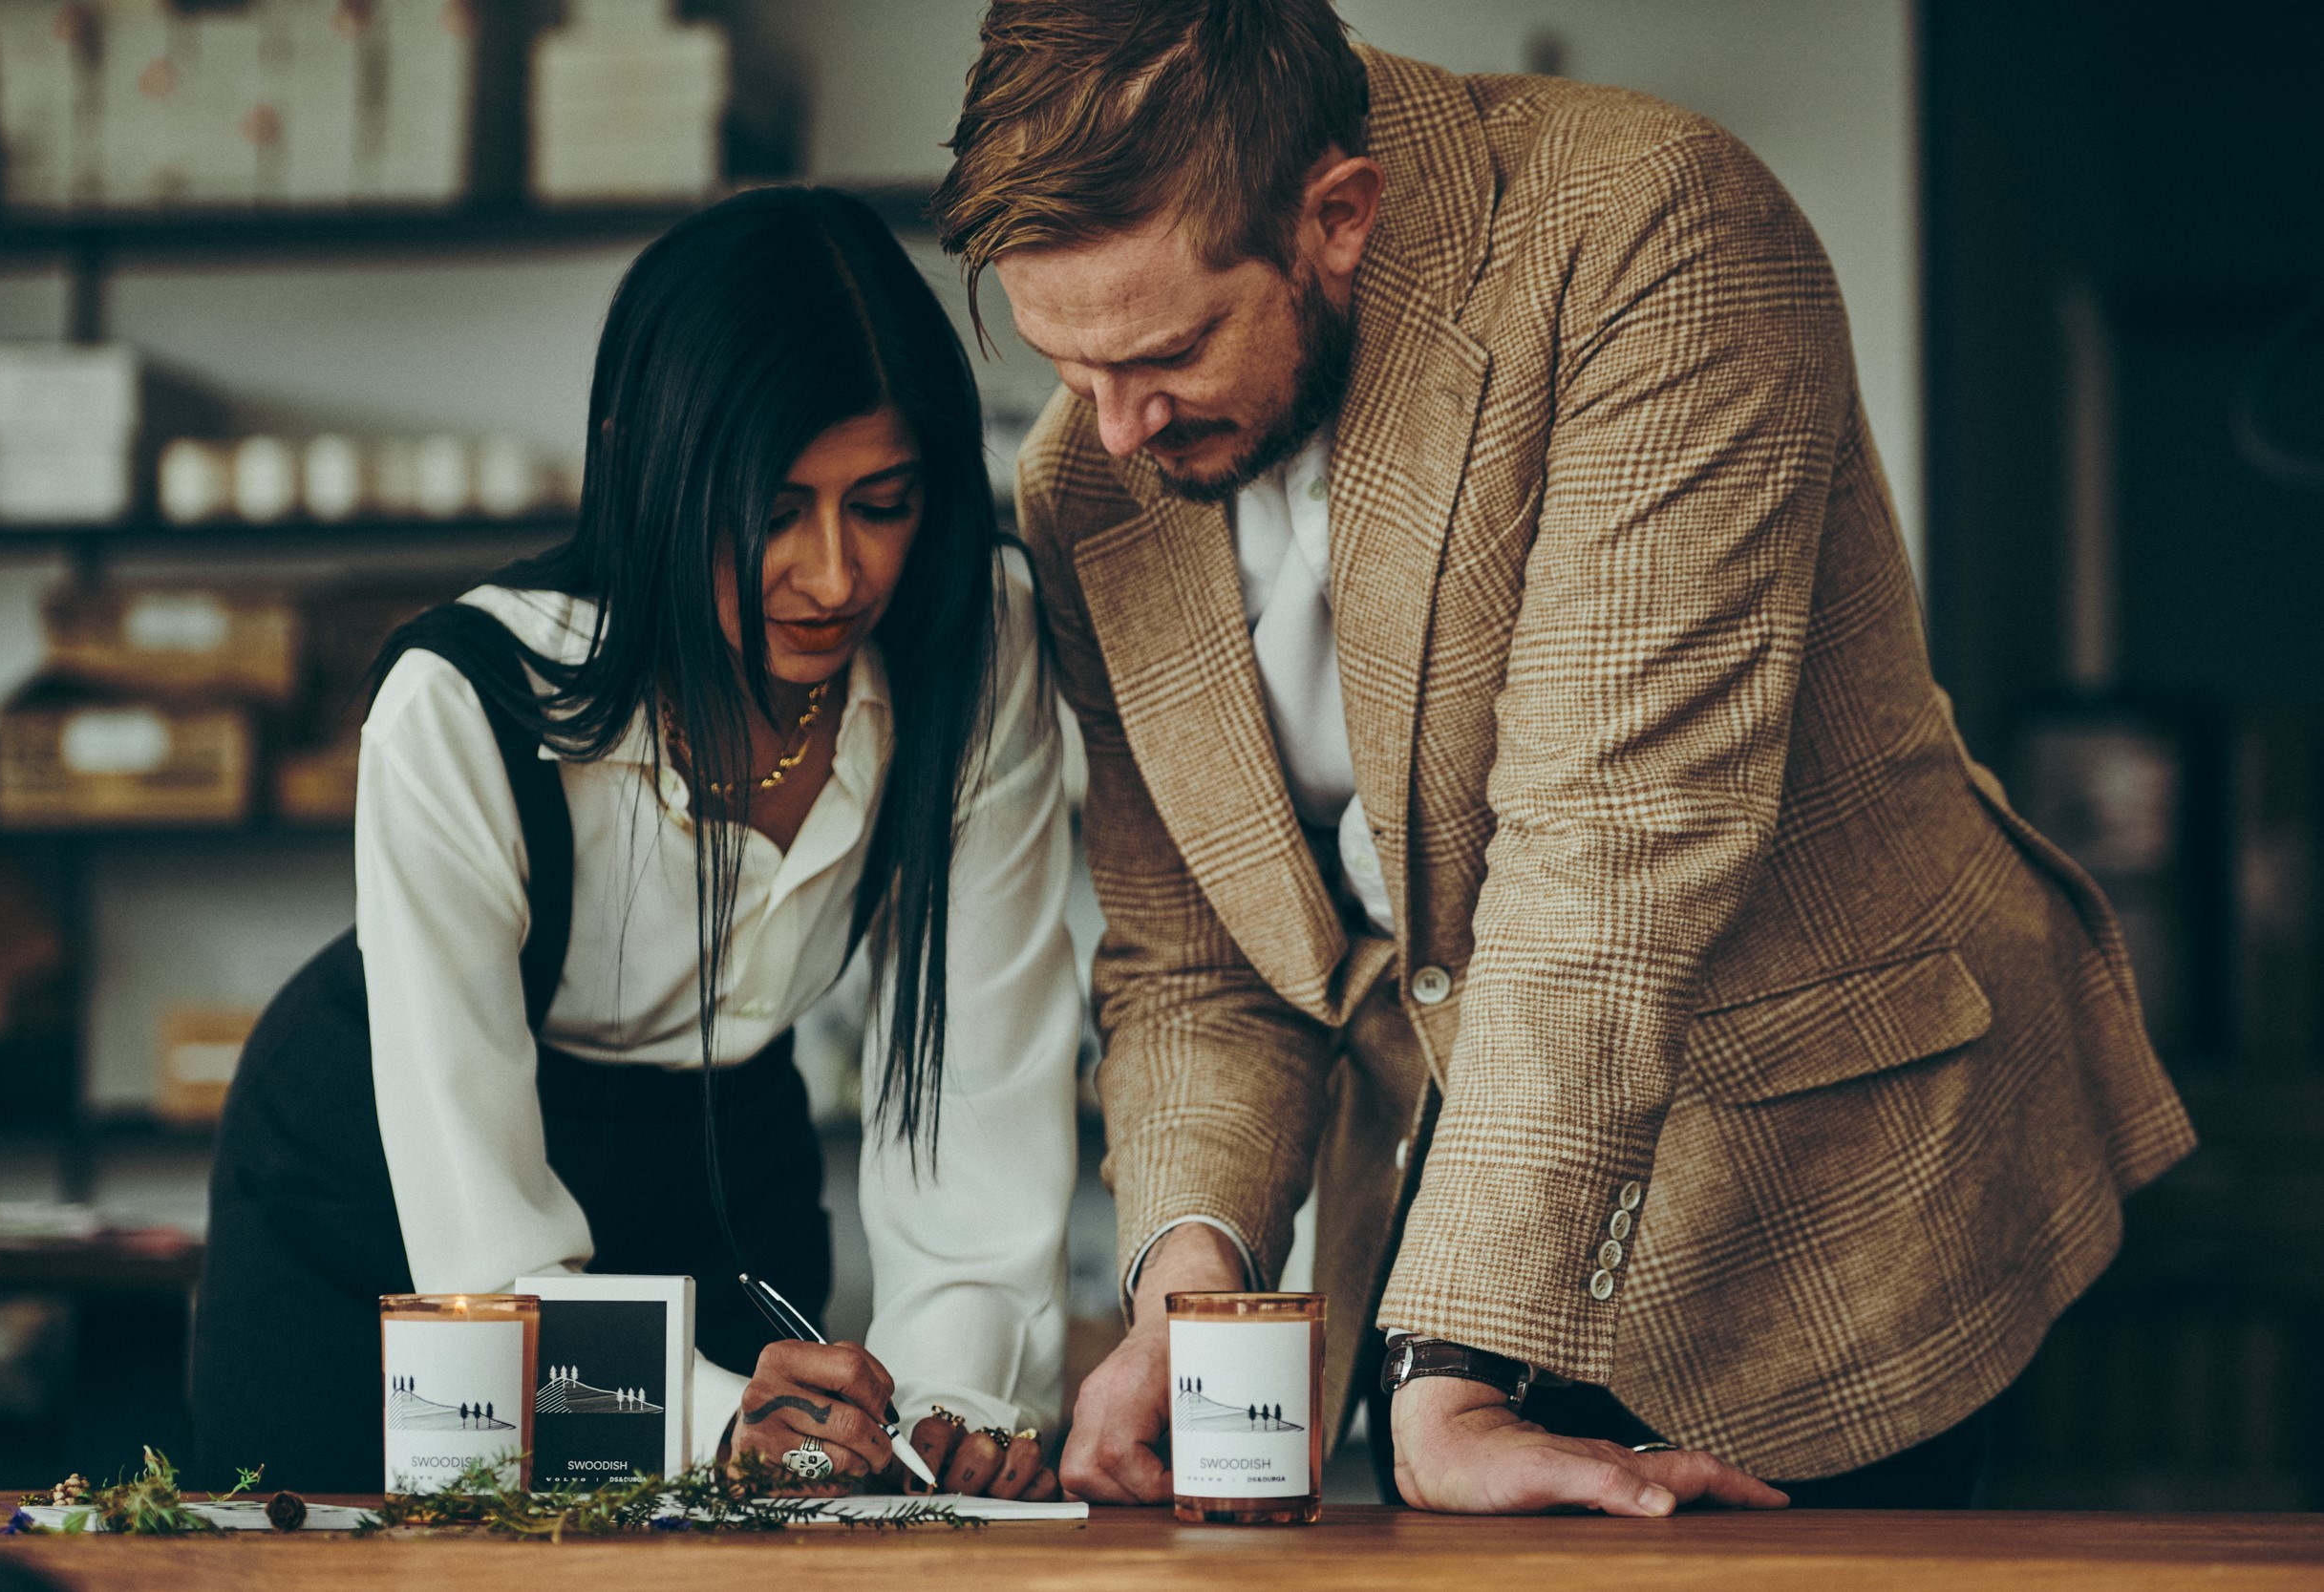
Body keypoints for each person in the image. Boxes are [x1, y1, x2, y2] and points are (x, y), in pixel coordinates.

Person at [929, 0, 2196, 1514]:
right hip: (1439, 1217)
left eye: (1166, 353)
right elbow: (1198, 954)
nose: (1118, 431)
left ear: (1338, 216)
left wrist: (1460, 1353)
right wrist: (1183, 1286)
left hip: (1820, 1194)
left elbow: (1614, 850)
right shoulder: (1085, 480)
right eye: (1069, 370)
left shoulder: (1654, 236)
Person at [192, 187, 1078, 1500]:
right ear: (648, 465)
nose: (836, 576)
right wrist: (712, 1417)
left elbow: (977, 1094)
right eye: (773, 510)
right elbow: (484, 1271)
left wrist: (944, 1408)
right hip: (394, 1191)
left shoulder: (972, 645)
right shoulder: (468, 704)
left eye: (881, 503)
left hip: (724, 1156)